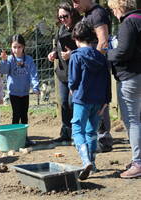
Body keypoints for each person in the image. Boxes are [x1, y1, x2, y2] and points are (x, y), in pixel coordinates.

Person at [69, 21, 111, 180]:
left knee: (77, 130)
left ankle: (85, 160)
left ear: (76, 38)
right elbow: (107, 79)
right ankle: (92, 163)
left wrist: (73, 90)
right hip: (99, 101)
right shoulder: (101, 56)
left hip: (82, 99)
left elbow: (73, 80)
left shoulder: (76, 56)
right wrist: (106, 101)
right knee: (91, 132)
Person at [72, 0, 113, 153]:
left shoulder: (98, 14)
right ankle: (94, 141)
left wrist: (93, 63)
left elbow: (103, 42)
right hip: (91, 66)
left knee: (99, 105)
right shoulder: (88, 15)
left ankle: (103, 140)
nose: (74, 5)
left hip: (96, 67)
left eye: (76, 1)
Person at [107, 0, 141, 179]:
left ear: (119, 6)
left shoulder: (128, 22)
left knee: (133, 121)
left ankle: (138, 162)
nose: (113, 13)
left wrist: (106, 53)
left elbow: (123, 52)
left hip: (131, 77)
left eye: (112, 9)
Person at [47, 2, 82, 143]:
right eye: (60, 17)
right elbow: (57, 45)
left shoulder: (79, 28)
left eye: (65, 16)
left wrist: (72, 54)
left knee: (72, 102)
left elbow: (86, 48)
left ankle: (76, 133)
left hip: (75, 73)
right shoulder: (60, 29)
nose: (62, 19)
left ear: (72, 14)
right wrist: (54, 53)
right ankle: (65, 132)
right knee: (63, 103)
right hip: (62, 72)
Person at [0, 34, 40, 147]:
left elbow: (33, 74)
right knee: (16, 115)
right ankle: (14, 139)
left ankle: (24, 138)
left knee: (24, 116)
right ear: (11, 47)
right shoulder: (10, 59)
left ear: (24, 47)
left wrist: (35, 86)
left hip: (25, 92)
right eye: (14, 47)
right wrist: (3, 60)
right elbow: (4, 71)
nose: (17, 50)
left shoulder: (29, 60)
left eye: (19, 47)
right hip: (14, 93)